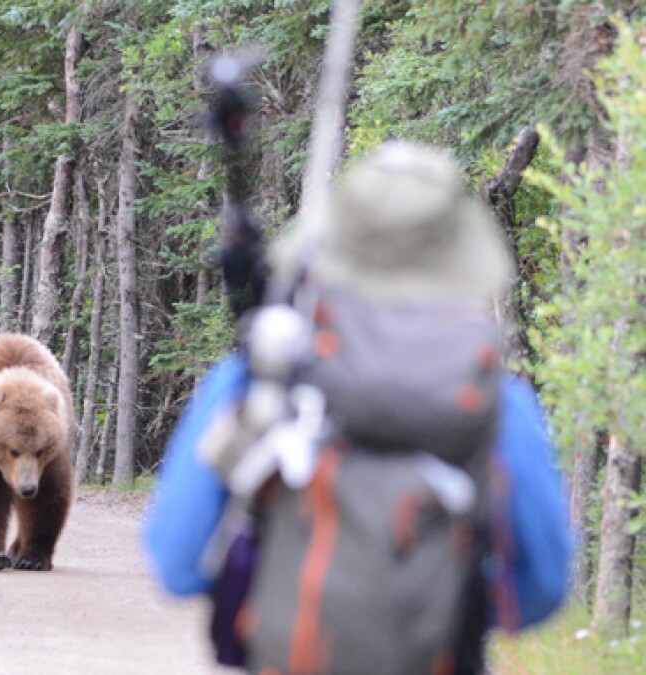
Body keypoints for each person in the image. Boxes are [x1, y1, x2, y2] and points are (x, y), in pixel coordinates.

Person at [143, 142, 571, 667]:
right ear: (459, 258)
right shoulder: (498, 406)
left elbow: (177, 563)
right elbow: (544, 588)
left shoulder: (261, 379)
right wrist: (437, 614)